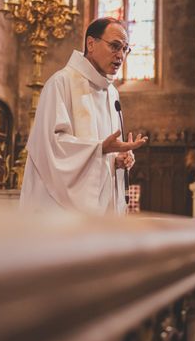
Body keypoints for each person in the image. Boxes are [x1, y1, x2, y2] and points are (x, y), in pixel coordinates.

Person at [19, 17, 148, 215]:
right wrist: (101, 148)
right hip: (58, 210)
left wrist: (117, 160)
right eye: (115, 46)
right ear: (91, 44)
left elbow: (102, 154)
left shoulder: (111, 92)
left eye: (125, 49)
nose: (121, 55)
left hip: (101, 208)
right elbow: (50, 147)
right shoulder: (61, 83)